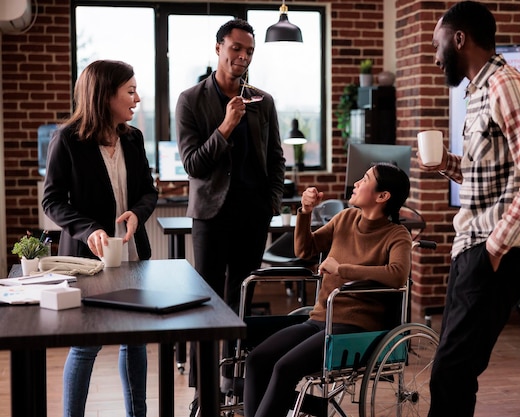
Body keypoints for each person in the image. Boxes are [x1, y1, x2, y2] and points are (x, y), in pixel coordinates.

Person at [420, 2, 520, 416]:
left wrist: (494, 249)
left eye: (437, 43)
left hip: (496, 249)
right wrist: (447, 164)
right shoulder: (478, 91)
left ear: (459, 38)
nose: (434, 55)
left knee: (451, 372)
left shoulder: (506, 86)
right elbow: (496, 179)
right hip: (474, 245)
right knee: (452, 369)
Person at [175, 18, 285, 412]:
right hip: (211, 216)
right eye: (236, 48)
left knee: (241, 302)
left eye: (250, 51)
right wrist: (225, 126)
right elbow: (192, 165)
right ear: (219, 47)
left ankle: (234, 385)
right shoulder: (191, 100)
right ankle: (205, 390)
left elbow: (276, 159)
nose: (242, 56)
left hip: (254, 216)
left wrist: (272, 202)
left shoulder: (263, 100)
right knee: (208, 305)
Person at [243, 162, 413, 417]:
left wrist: (343, 269)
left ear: (382, 196)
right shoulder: (344, 218)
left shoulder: (396, 235)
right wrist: (306, 211)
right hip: (319, 318)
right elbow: (304, 250)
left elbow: (397, 274)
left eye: (364, 179)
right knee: (257, 359)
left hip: (353, 327)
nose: (356, 183)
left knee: (284, 368)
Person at [42, 60, 158, 417]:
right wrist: (88, 228)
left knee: (135, 341)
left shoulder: (133, 137)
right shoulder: (67, 139)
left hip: (132, 256)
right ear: (106, 95)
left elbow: (148, 192)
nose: (137, 98)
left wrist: (137, 213)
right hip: (86, 261)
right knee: (86, 346)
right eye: (130, 90)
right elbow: (52, 200)